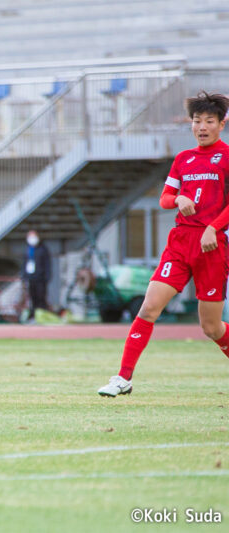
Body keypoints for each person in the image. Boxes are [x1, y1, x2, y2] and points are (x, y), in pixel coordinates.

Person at [98, 91, 229, 397]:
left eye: (209, 121)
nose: (202, 126)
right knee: (148, 309)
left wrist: (214, 227)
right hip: (180, 243)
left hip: (212, 247)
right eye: (197, 121)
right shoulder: (183, 159)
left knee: (211, 328)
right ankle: (123, 378)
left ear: (221, 124)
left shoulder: (227, 158)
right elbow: (165, 198)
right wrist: (179, 198)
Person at [21, 230, 51, 321]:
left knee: (41, 297)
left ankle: (43, 315)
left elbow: (47, 264)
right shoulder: (28, 249)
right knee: (32, 297)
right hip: (31, 277)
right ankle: (34, 315)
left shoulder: (42, 249)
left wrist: (47, 276)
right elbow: (24, 263)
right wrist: (24, 276)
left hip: (40, 278)